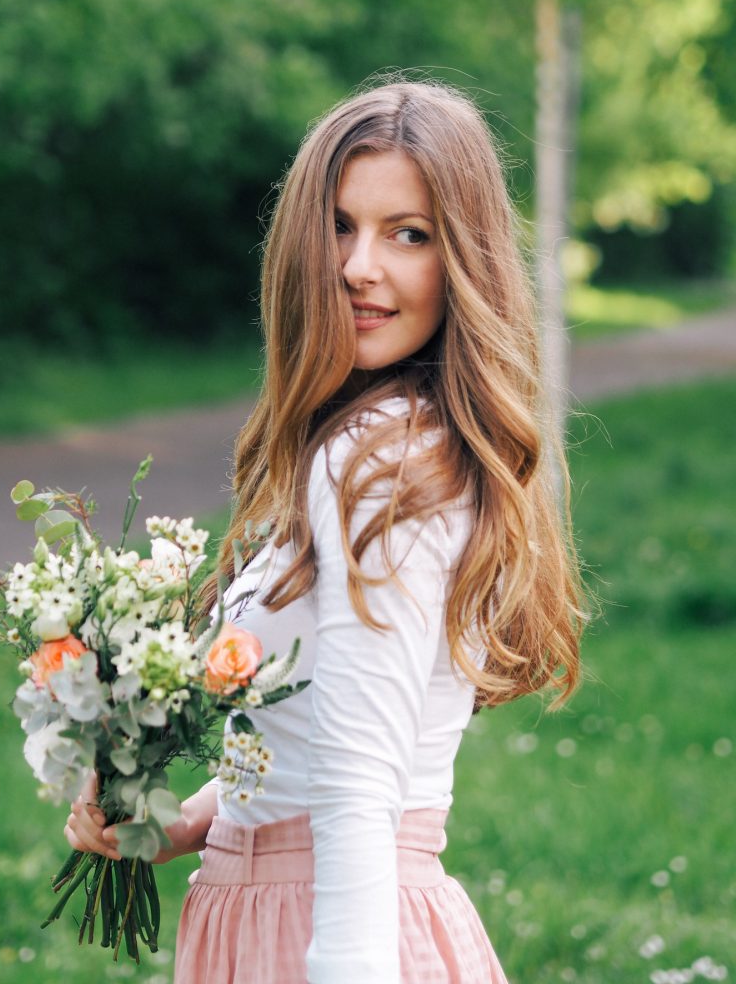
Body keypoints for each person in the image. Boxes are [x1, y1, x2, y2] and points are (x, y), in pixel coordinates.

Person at [66, 77, 584, 983]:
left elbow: (359, 780)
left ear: (464, 259)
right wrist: (187, 822)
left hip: (333, 929)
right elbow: (313, 734)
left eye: (408, 234)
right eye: (339, 226)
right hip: (281, 911)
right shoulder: (382, 443)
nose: (357, 266)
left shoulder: (380, 465)